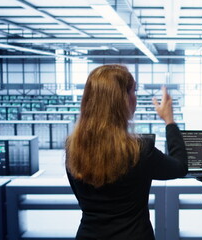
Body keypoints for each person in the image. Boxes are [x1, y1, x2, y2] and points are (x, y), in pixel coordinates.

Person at [66, 64, 188, 240]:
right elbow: (180, 167)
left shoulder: (72, 148)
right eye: (133, 91)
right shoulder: (140, 150)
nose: (135, 98)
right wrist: (169, 121)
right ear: (123, 100)